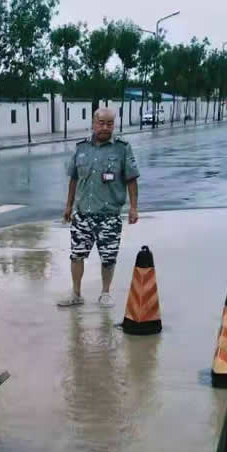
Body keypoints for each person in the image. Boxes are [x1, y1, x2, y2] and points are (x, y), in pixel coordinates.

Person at [59, 107, 140, 308]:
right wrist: (68, 206)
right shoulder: (81, 148)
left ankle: (105, 293)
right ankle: (76, 293)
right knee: (76, 255)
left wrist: (133, 208)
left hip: (109, 215)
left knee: (108, 257)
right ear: (93, 124)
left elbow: (131, 179)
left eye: (109, 123)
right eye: (101, 123)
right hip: (83, 214)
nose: (105, 127)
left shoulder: (122, 148)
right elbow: (73, 179)